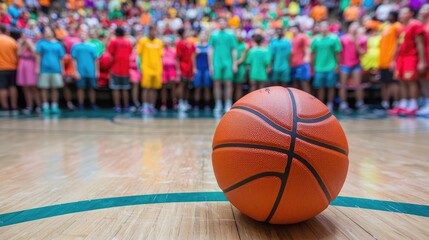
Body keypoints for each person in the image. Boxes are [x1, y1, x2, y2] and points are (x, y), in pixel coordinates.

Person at [389, 6, 427, 116]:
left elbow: (420, 44)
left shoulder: (415, 25)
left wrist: (422, 61)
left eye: (404, 13)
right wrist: (393, 60)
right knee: (401, 80)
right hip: (401, 57)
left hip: (411, 56)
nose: (401, 15)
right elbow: (397, 45)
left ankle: (413, 104)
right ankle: (404, 103)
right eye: (400, 13)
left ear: (411, 13)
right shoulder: (400, 27)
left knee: (411, 81)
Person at [311, 21, 342, 112]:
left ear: (328, 27)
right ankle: (321, 105)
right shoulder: (316, 39)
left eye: (325, 26)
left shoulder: (334, 38)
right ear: (319, 28)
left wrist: (337, 65)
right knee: (320, 87)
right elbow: (313, 53)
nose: (324, 28)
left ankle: (330, 104)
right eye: (322, 26)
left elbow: (338, 53)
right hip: (319, 67)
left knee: (331, 86)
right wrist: (312, 65)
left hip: (331, 66)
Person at [209, 17, 238, 112]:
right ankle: (218, 104)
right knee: (216, 83)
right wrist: (211, 65)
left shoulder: (231, 34)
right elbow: (211, 50)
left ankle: (228, 103)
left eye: (223, 22)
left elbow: (234, 49)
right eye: (220, 22)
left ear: (226, 23)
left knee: (228, 83)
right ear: (218, 24)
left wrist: (234, 63)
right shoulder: (214, 35)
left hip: (228, 62)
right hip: (216, 62)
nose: (221, 24)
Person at [35, 26, 66, 114]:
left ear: (53, 33)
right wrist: (37, 68)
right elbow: (38, 56)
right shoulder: (41, 43)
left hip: (56, 69)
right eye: (46, 32)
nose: (48, 33)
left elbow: (61, 58)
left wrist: (62, 70)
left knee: (55, 88)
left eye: (49, 32)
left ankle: (54, 105)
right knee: (44, 88)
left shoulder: (58, 44)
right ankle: (45, 105)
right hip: (44, 69)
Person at [339, 22, 367, 113]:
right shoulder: (343, 39)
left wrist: (357, 45)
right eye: (353, 26)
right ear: (349, 28)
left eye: (356, 27)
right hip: (345, 64)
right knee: (343, 85)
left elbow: (363, 53)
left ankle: (360, 103)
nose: (354, 28)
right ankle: (343, 104)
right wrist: (339, 64)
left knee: (358, 85)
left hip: (356, 64)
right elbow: (339, 52)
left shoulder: (361, 39)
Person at [136, 25, 163, 114]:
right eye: (152, 30)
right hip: (146, 69)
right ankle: (145, 105)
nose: (154, 32)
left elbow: (161, 56)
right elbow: (139, 55)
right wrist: (140, 68)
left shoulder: (159, 42)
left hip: (157, 69)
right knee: (146, 88)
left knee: (154, 89)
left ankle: (152, 106)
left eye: (155, 30)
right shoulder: (143, 41)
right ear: (149, 31)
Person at [379, 11, 401, 110]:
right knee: (384, 82)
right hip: (382, 60)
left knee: (393, 82)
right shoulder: (385, 27)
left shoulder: (398, 26)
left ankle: (396, 103)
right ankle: (385, 103)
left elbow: (398, 44)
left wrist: (393, 59)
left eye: (390, 15)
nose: (388, 16)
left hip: (391, 60)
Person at [71, 31, 99, 110]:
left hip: (91, 71)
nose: (83, 36)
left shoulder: (92, 47)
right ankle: (81, 104)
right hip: (80, 71)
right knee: (80, 88)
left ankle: (93, 103)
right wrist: (75, 71)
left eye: (84, 35)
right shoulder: (76, 47)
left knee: (92, 88)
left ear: (87, 36)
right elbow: (74, 60)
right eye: (81, 35)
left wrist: (97, 71)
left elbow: (96, 60)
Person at [108, 27, 133, 112]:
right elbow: (130, 53)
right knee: (125, 89)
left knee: (116, 88)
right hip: (126, 69)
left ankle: (117, 106)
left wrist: (110, 68)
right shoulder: (128, 42)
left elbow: (110, 55)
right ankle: (126, 106)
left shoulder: (113, 41)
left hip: (115, 69)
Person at [17, 35, 40, 115]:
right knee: (25, 87)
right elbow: (18, 53)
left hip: (31, 65)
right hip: (23, 65)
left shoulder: (35, 45)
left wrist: (29, 43)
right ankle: (29, 106)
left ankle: (38, 106)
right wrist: (23, 44)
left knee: (33, 87)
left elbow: (35, 52)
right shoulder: (21, 44)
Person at [176, 28, 196, 112]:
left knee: (187, 85)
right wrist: (178, 69)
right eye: (186, 31)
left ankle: (185, 102)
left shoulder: (190, 43)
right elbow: (177, 58)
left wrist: (194, 67)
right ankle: (180, 103)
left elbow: (193, 54)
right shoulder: (179, 43)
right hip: (183, 66)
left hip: (190, 66)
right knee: (182, 84)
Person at [0, 24, 18, 116]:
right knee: (12, 87)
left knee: (2, 88)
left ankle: (5, 107)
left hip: (1, 68)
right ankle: (14, 106)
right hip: (13, 67)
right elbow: (17, 53)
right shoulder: (12, 41)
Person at [290, 25, 311, 93]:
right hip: (293, 64)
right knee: (295, 83)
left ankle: (308, 101)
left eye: (294, 28)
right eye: (291, 29)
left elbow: (307, 47)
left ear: (297, 29)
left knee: (304, 82)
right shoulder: (291, 38)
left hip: (301, 63)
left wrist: (307, 57)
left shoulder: (302, 37)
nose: (292, 30)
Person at [193, 32, 212, 111]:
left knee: (207, 87)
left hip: (206, 68)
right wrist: (194, 68)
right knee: (197, 87)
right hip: (198, 68)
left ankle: (207, 104)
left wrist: (211, 68)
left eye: (204, 36)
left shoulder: (209, 46)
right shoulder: (196, 46)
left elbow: (211, 58)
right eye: (201, 36)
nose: (202, 37)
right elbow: (193, 57)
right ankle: (196, 104)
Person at [160, 37, 178, 111]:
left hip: (172, 70)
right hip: (163, 70)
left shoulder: (174, 50)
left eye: (168, 42)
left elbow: (176, 61)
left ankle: (174, 103)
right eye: (165, 42)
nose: (166, 43)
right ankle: (163, 103)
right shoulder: (161, 51)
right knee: (163, 87)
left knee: (173, 86)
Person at [417, 4, 429, 116]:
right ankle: (427, 102)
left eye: (425, 9)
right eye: (422, 9)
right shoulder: (422, 25)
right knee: (424, 80)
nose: (422, 11)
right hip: (424, 56)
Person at [233, 30, 248, 101]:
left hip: (240, 68)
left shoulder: (244, 45)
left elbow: (242, 59)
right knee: (232, 86)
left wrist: (234, 64)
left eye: (239, 35)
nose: (238, 36)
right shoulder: (233, 45)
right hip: (232, 68)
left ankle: (238, 102)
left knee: (238, 86)